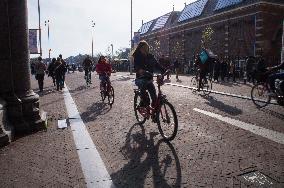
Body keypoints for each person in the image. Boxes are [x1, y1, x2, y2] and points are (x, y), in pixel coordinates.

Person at [133, 40, 165, 108]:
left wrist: (164, 70)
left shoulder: (151, 56)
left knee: (155, 98)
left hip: (149, 79)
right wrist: (140, 70)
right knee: (144, 87)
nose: (145, 50)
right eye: (143, 48)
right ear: (140, 48)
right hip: (140, 79)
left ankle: (155, 115)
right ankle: (143, 102)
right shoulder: (137, 56)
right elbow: (136, 66)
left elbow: (157, 65)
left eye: (146, 48)